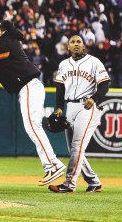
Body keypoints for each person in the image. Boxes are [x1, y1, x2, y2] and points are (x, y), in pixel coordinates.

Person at [0, 20, 66, 186]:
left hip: (29, 86)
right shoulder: (8, 42)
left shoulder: (7, 42)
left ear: (3, 32)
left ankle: (54, 164)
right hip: (29, 87)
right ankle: (50, 165)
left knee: (33, 126)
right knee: (33, 126)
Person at [49, 35, 110, 193]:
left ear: (83, 46)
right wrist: (58, 107)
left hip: (87, 106)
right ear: (68, 47)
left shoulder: (94, 62)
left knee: (77, 146)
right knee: (74, 149)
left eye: (79, 42)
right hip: (70, 106)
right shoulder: (64, 64)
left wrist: (95, 98)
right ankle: (94, 181)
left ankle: (69, 184)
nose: (76, 44)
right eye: (73, 42)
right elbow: (60, 88)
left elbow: (104, 84)